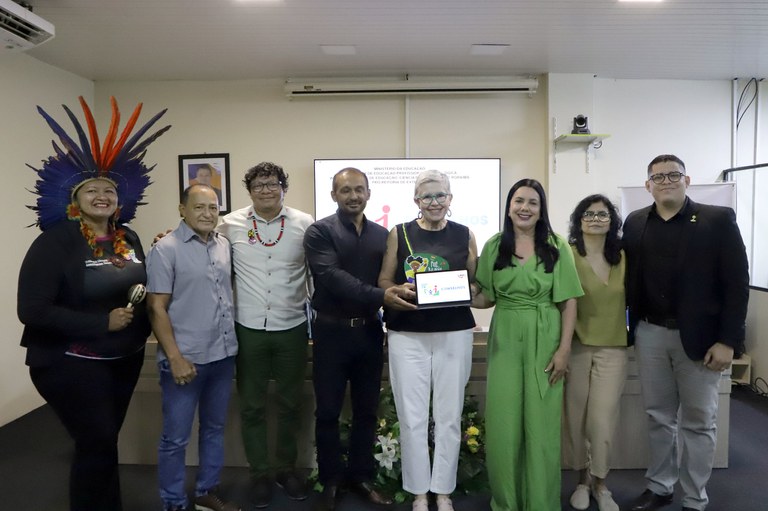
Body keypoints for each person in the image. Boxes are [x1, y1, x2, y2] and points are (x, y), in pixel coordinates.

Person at [17, 97, 170, 510]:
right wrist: (102, 323)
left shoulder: (130, 237)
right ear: (75, 197)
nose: (102, 196)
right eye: (93, 190)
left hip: (124, 361)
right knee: (96, 442)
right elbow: (32, 311)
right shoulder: (53, 243)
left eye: (109, 191)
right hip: (72, 364)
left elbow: (141, 286)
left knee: (103, 444)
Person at [624, 154, 749, 511]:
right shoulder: (634, 223)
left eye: (673, 175)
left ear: (687, 179)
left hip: (701, 340)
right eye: (657, 177)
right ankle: (660, 487)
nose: (665, 181)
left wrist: (729, 341)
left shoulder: (717, 219)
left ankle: (695, 498)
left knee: (698, 422)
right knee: (658, 417)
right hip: (649, 333)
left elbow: (737, 283)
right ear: (648, 184)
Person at [304, 167, 416, 511]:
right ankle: (331, 480)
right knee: (327, 411)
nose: (353, 196)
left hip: (369, 331)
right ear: (334, 195)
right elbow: (333, 278)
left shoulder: (383, 235)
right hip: (331, 331)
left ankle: (361, 477)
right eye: (345, 190)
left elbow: (395, 278)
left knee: (367, 411)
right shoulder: (319, 232)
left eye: (359, 190)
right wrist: (381, 297)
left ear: (368, 194)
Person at [472, 178, 583, 511]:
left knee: (542, 426)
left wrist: (564, 350)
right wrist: (447, 293)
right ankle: (506, 502)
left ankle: (540, 503)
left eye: (532, 202)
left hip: (546, 336)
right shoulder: (494, 246)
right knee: (505, 426)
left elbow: (569, 302)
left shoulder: (556, 246)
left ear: (541, 209)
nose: (524, 208)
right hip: (505, 336)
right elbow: (485, 297)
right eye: (519, 201)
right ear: (509, 206)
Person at [378, 170, 477, 511]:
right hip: (408, 334)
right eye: (427, 196)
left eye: (441, 196)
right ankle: (420, 491)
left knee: (449, 416)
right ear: (416, 201)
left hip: (454, 333)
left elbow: (475, 285)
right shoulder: (399, 233)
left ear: (450, 199)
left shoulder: (465, 234)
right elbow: (384, 280)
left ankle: (443, 490)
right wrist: (396, 291)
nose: (434, 202)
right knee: (412, 415)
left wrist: (467, 291)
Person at [218, 161, 315, 508]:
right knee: (252, 406)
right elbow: (199, 243)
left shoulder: (305, 224)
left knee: (291, 403)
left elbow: (317, 274)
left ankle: (285, 469)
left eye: (272, 184)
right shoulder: (229, 224)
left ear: (283, 187)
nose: (266, 190)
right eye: (258, 185)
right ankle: (259, 473)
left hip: (291, 327)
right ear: (249, 191)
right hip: (249, 329)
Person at [146, 184, 240, 511]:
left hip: (222, 355)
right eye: (199, 207)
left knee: (214, 429)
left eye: (213, 208)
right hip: (184, 361)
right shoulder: (166, 249)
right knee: (175, 439)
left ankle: (205, 493)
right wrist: (175, 358)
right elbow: (156, 307)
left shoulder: (224, 245)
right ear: (182, 209)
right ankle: (173, 502)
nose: (207, 214)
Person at [563, 194, 628, 511]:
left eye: (603, 214)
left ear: (612, 220)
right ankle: (581, 481)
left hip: (613, 348)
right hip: (574, 348)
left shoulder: (625, 257)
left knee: (602, 421)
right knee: (576, 420)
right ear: (579, 220)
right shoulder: (567, 255)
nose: (596, 219)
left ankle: (601, 484)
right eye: (588, 213)